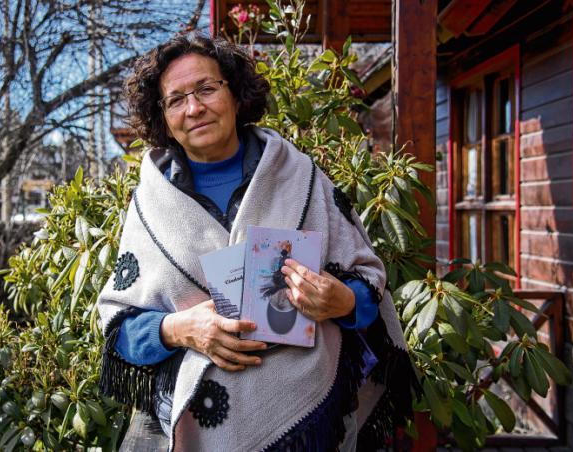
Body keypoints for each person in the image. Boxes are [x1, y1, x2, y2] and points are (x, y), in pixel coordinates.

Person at [98, 33, 414, 451]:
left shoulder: (302, 177)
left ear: (234, 93)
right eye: (176, 99)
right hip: (197, 422)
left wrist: (344, 301)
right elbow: (119, 327)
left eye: (206, 89)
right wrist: (180, 328)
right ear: (163, 116)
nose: (194, 108)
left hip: (309, 426)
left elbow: (367, 281)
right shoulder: (149, 205)